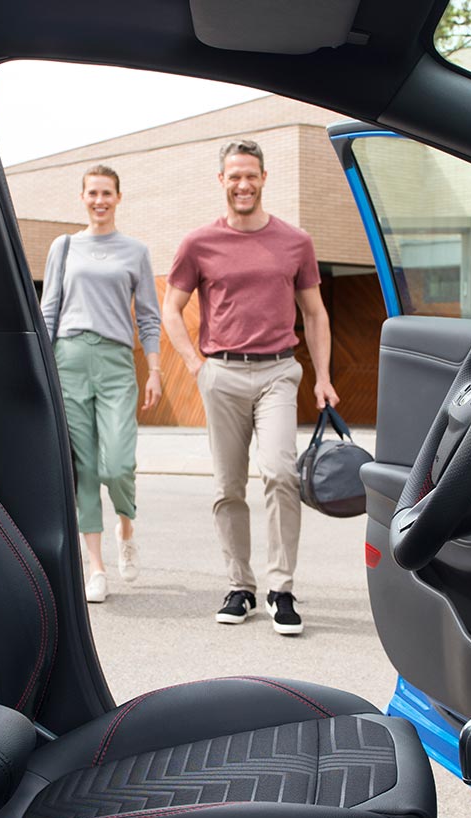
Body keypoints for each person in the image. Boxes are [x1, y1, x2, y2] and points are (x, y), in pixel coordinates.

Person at [162, 139, 338, 636]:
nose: (243, 184)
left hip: (279, 371)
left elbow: (315, 313)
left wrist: (323, 378)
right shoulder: (198, 243)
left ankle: (281, 588)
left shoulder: (295, 241)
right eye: (234, 176)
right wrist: (195, 365)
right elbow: (171, 310)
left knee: (282, 472)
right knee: (227, 486)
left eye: (251, 175)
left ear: (264, 178)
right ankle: (241, 587)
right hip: (221, 373)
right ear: (222, 180)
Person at [41, 164, 162, 604]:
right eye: (92, 192)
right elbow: (48, 310)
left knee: (117, 464)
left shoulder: (135, 251)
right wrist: (43, 368)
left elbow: (149, 315)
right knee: (85, 469)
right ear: (83, 197)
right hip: (69, 359)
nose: (99, 200)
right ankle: (95, 566)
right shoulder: (65, 246)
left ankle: (125, 526)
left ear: (118, 196)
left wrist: (155, 369)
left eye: (107, 192)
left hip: (115, 361)